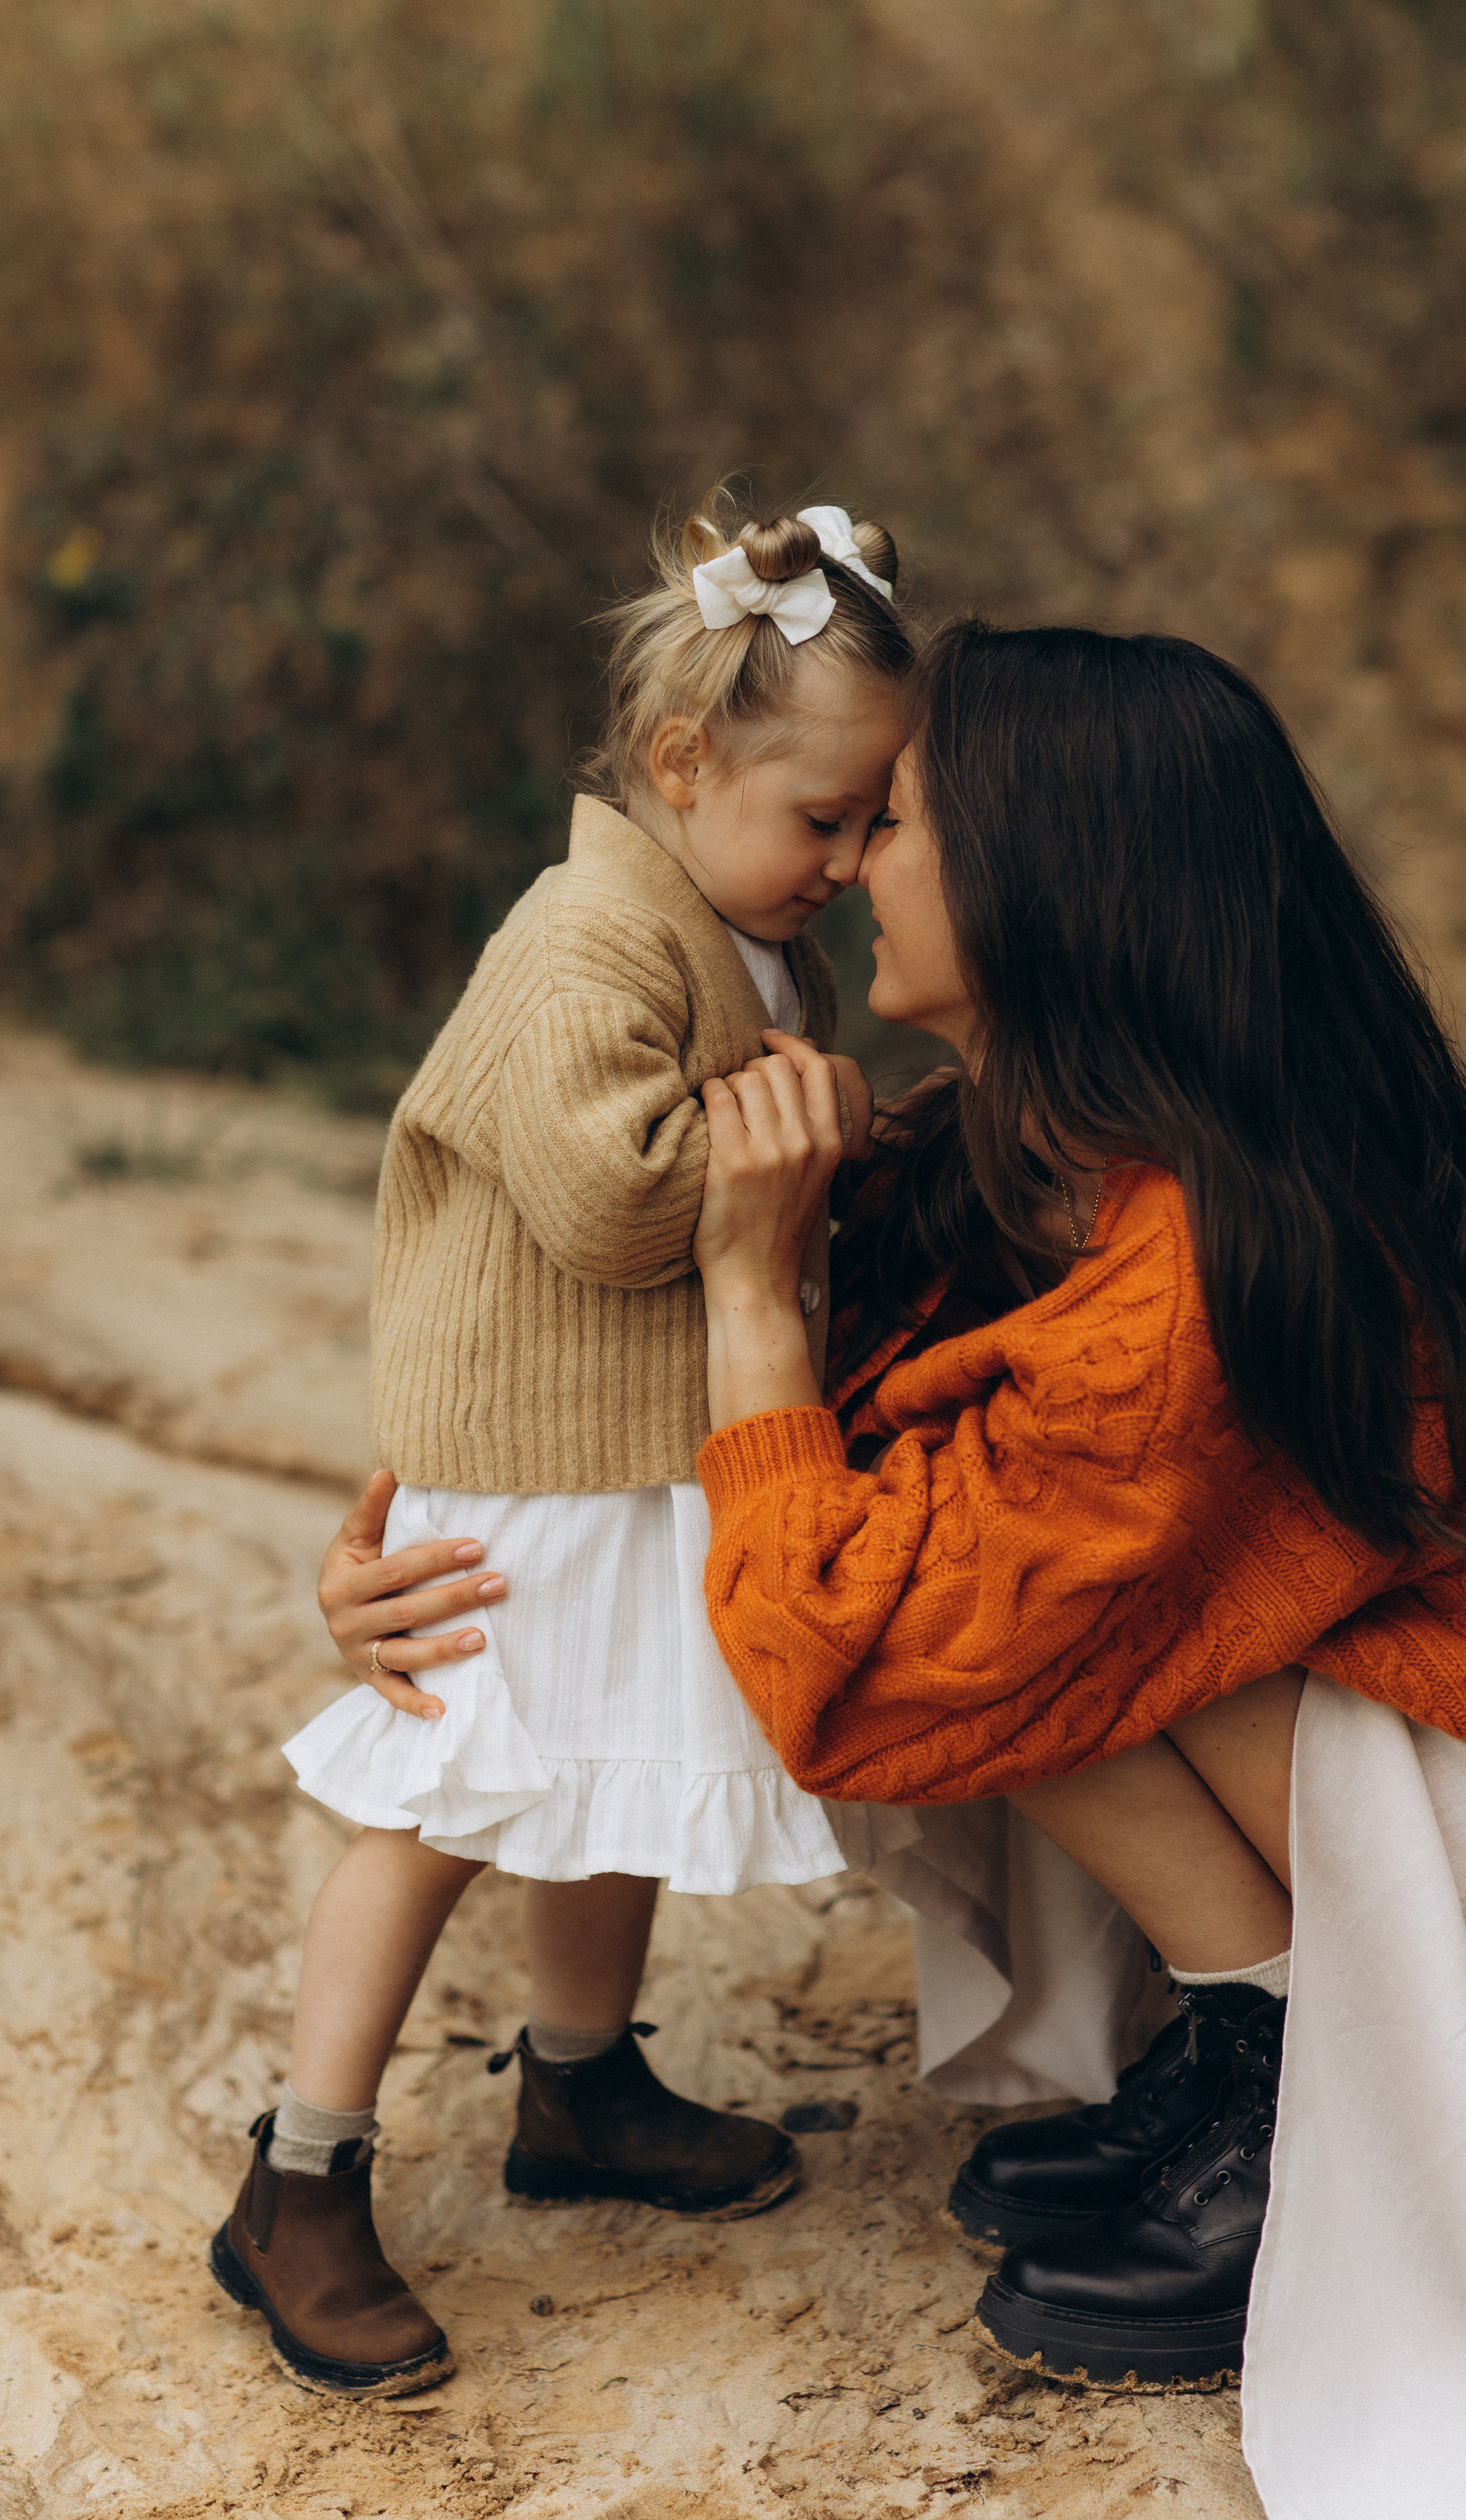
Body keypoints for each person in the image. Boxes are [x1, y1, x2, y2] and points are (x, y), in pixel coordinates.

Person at [682, 620, 1466, 2519]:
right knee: (995, 1560)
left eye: (896, 821)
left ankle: (1291, 2088)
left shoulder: (1210, 1265)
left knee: (988, 1617)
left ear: (1044, 877)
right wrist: (429, 1511)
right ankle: (1256, 2044)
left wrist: (749, 1294)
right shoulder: (1099, 1149)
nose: (855, 864)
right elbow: (807, 1427)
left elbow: (845, 1667)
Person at [209, 490, 912, 2399]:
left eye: (873, 824)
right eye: (821, 819)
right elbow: (610, 1205)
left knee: (612, 1769)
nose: (847, 862)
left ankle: (580, 2087)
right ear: (684, 765)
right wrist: (807, 1129)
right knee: (442, 1804)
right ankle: (300, 2173)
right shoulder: (586, 935)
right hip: (526, 1473)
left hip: (644, 1458)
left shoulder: (735, 924)